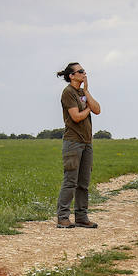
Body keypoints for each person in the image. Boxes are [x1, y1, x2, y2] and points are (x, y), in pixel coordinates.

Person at [55, 62, 101, 228]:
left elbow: (98, 109)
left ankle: (81, 217)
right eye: (80, 71)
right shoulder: (68, 93)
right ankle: (63, 217)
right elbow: (76, 116)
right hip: (73, 142)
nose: (84, 73)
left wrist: (87, 93)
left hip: (87, 142)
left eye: (84, 70)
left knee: (83, 182)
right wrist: (88, 108)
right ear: (71, 76)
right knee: (70, 181)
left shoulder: (82, 92)